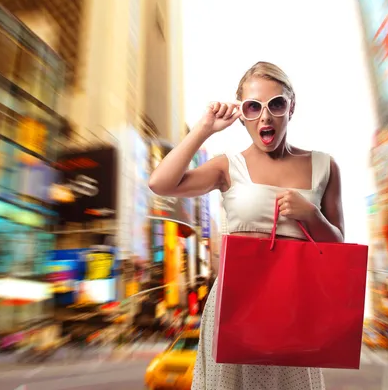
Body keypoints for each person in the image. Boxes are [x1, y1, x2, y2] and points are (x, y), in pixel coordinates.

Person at [148, 61, 345, 390]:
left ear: (291, 107)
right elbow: (160, 182)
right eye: (253, 107)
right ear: (243, 114)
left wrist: (312, 215)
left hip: (294, 309)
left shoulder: (325, 166)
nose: (265, 117)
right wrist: (205, 128)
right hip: (235, 308)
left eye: (276, 104)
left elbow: (339, 246)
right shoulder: (228, 166)